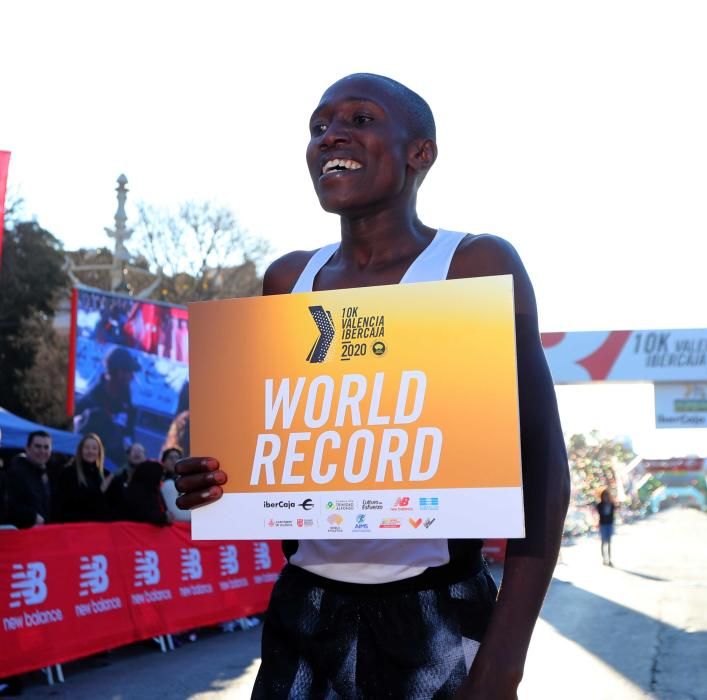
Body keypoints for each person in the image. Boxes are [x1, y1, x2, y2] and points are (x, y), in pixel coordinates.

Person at [176, 73, 570, 699]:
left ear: (421, 153)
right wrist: (210, 478)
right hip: (306, 609)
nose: (331, 133)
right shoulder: (287, 281)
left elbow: (543, 461)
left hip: (438, 608)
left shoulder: (474, 266)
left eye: (360, 119)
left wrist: (503, 661)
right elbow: (277, 449)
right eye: (319, 124)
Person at [74, 346, 140, 469]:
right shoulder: (89, 402)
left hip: (116, 467)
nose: (132, 378)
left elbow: (128, 436)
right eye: (130, 372)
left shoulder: (128, 404)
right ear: (120, 372)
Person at [5, 430, 59, 528]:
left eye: (46, 447)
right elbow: (9, 506)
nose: (42, 451)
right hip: (23, 536)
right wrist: (32, 517)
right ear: (27, 448)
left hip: (44, 534)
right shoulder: (16, 473)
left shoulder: (48, 474)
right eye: (38, 446)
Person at [56, 433, 112, 522]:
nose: (90, 451)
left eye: (94, 448)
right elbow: (66, 503)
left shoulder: (106, 475)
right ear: (80, 450)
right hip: (75, 528)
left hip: (100, 530)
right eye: (87, 448)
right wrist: (99, 491)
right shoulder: (68, 473)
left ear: (99, 452)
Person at [120, 459, 170, 526]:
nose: (162, 478)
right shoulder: (138, 492)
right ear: (153, 475)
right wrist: (164, 518)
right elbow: (147, 515)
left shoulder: (153, 491)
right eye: (161, 475)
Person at [161, 446, 189, 522]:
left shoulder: (188, 480)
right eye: (170, 458)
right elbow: (175, 515)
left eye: (177, 457)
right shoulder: (163, 483)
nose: (174, 461)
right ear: (163, 462)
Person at [596, 488, 615, 566]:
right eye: (604, 495)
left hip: (609, 525)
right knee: (604, 542)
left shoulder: (611, 504)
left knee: (609, 542)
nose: (606, 497)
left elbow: (612, 514)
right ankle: (604, 559)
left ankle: (609, 559)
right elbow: (600, 513)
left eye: (607, 495)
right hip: (603, 525)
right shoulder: (600, 505)